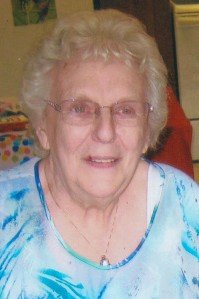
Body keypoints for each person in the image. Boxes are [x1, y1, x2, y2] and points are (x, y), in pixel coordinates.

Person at [0, 9, 198, 298]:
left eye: (125, 110)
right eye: (80, 108)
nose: (105, 131)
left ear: (147, 131)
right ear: (43, 125)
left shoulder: (185, 208)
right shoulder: (6, 215)